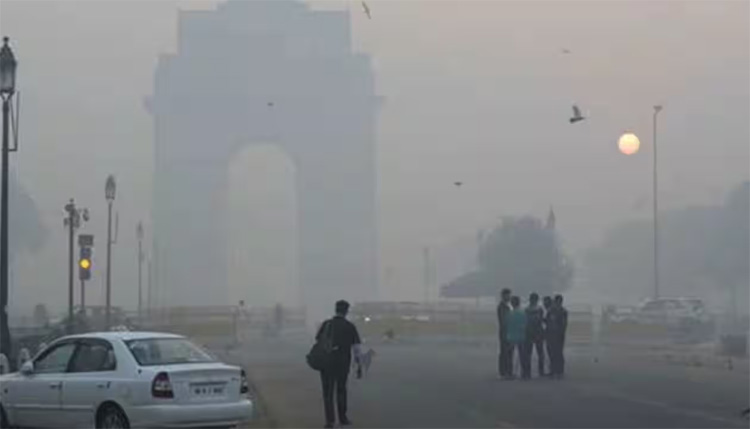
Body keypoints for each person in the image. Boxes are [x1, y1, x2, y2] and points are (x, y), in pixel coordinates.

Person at [315, 300, 362, 428]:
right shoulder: (350, 326)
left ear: (336, 309)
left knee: (327, 392)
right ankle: (343, 418)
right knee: (341, 390)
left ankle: (329, 420)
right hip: (342, 363)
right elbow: (356, 348)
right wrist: (359, 365)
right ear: (346, 311)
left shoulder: (327, 324)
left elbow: (318, 340)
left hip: (326, 362)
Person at [523, 293, 546, 378]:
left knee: (528, 353)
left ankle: (527, 372)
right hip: (537, 332)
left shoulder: (527, 310)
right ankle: (541, 371)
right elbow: (541, 320)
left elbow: (525, 321)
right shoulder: (539, 309)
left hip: (530, 333)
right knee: (539, 353)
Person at [505, 296, 528, 379]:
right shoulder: (523, 314)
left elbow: (506, 325)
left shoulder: (509, 314)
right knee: (522, 356)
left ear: (512, 303)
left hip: (511, 336)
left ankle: (509, 373)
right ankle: (524, 373)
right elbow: (525, 325)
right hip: (521, 336)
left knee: (509, 356)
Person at [547, 294, 569, 378]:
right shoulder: (557, 311)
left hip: (556, 334)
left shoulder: (559, 311)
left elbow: (563, 324)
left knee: (557, 353)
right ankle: (555, 370)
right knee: (554, 353)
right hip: (554, 334)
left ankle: (557, 370)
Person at [496, 288, 512, 379]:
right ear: (503, 296)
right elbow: (503, 321)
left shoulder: (506, 306)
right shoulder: (502, 307)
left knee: (507, 352)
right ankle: (504, 372)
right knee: (505, 352)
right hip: (504, 332)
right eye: (508, 295)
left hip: (506, 331)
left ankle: (506, 372)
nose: (509, 297)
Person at [542, 295, 554, 376]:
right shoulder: (550, 310)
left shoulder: (551, 311)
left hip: (551, 335)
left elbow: (550, 323)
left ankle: (553, 370)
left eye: (545, 302)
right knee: (551, 352)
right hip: (550, 334)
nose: (544, 304)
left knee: (551, 352)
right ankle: (553, 369)